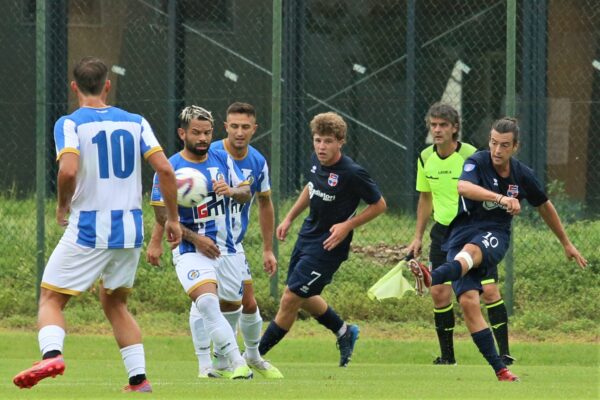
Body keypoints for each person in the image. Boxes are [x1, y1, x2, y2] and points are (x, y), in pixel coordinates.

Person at [12, 56, 182, 393]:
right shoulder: (136, 121)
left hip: (89, 227)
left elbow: (69, 170)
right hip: (131, 229)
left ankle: (52, 355)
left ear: (74, 87)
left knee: (50, 298)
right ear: (107, 85)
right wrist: (173, 218)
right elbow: (165, 169)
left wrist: (62, 205)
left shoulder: (70, 123)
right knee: (115, 302)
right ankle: (139, 380)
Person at [410, 117, 588, 382]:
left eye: (504, 145)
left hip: (494, 234)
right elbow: (463, 186)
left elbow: (544, 206)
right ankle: (500, 370)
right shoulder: (478, 161)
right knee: (469, 303)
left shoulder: (523, 174)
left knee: (473, 251)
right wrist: (502, 198)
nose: (497, 150)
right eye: (493, 143)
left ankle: (432, 276)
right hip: (459, 232)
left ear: (515, 146)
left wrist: (566, 242)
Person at [258, 112, 387, 367]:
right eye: (317, 140)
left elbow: (380, 205)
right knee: (302, 294)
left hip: (330, 245)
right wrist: (290, 218)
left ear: (340, 141)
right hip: (307, 235)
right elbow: (311, 187)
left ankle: (253, 356)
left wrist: (347, 226)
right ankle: (344, 331)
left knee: (290, 298)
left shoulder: (352, 172)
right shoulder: (316, 161)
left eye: (327, 141)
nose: (321, 146)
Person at [147, 105, 254, 379]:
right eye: (196, 132)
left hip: (226, 248)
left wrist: (231, 190)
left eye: (207, 132)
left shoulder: (222, 160)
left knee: (230, 305)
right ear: (182, 133)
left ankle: (216, 365)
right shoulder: (170, 168)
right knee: (207, 301)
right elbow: (161, 213)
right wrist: (194, 239)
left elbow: (246, 191)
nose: (203, 138)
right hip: (189, 248)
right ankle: (236, 361)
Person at [406, 103, 514, 366]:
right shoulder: (424, 157)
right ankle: (447, 358)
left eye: (443, 125)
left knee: (487, 292)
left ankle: (504, 354)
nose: (437, 130)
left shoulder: (472, 154)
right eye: (433, 125)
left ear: (455, 128)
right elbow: (425, 197)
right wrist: (418, 236)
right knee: (439, 292)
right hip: (443, 233)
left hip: (473, 230)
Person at [184, 102, 283, 379]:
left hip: (233, 243)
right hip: (205, 240)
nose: (239, 132)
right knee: (205, 300)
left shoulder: (257, 161)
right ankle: (208, 363)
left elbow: (263, 202)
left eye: (245, 127)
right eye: (234, 126)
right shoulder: (210, 152)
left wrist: (267, 249)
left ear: (254, 129)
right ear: (225, 127)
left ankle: (250, 356)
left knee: (246, 303)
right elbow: (179, 185)